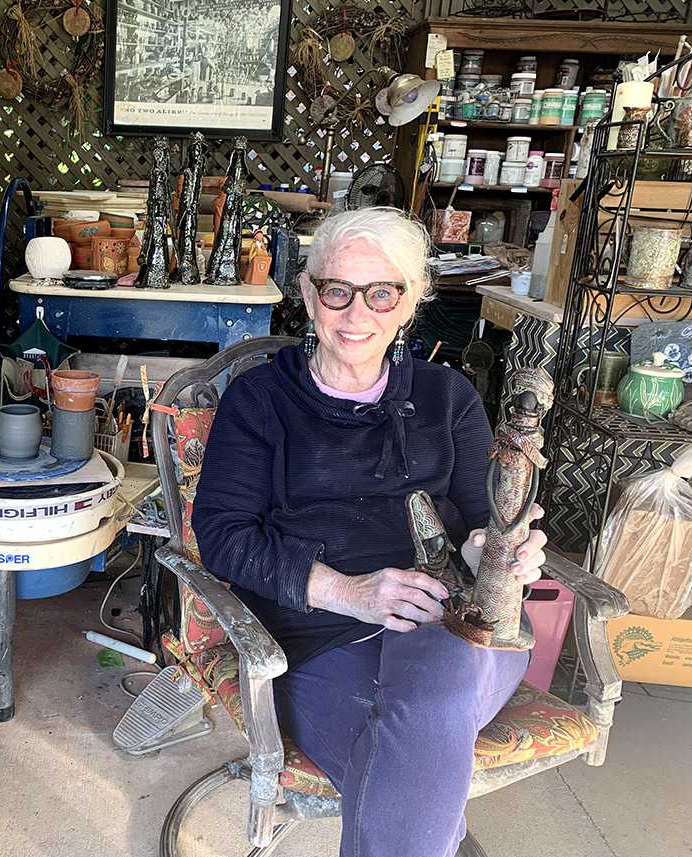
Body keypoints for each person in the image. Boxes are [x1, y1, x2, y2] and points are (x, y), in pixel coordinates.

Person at [190, 207, 548, 857]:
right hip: (321, 636)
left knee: (435, 665)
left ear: (411, 302)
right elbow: (223, 534)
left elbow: (476, 520)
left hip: (459, 626)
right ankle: (438, 837)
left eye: (382, 292)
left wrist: (500, 551)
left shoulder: (449, 396)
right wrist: (350, 592)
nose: (358, 313)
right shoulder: (260, 400)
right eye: (338, 291)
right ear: (308, 294)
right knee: (413, 759)